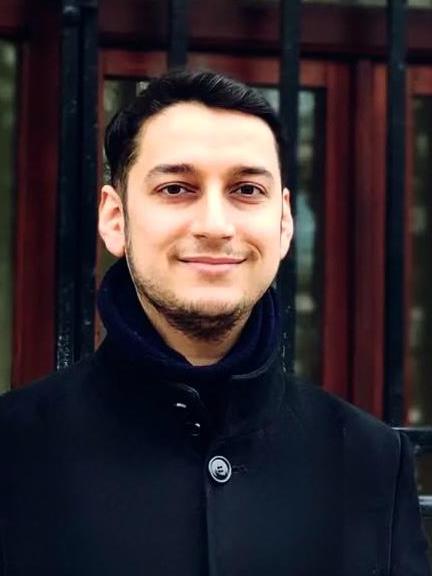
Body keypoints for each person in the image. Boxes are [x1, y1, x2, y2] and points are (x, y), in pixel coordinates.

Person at [0, 69, 429, 576]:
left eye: (246, 189)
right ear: (115, 219)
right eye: (176, 188)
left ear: (284, 222)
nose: (215, 226)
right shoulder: (13, 450)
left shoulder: (371, 461)